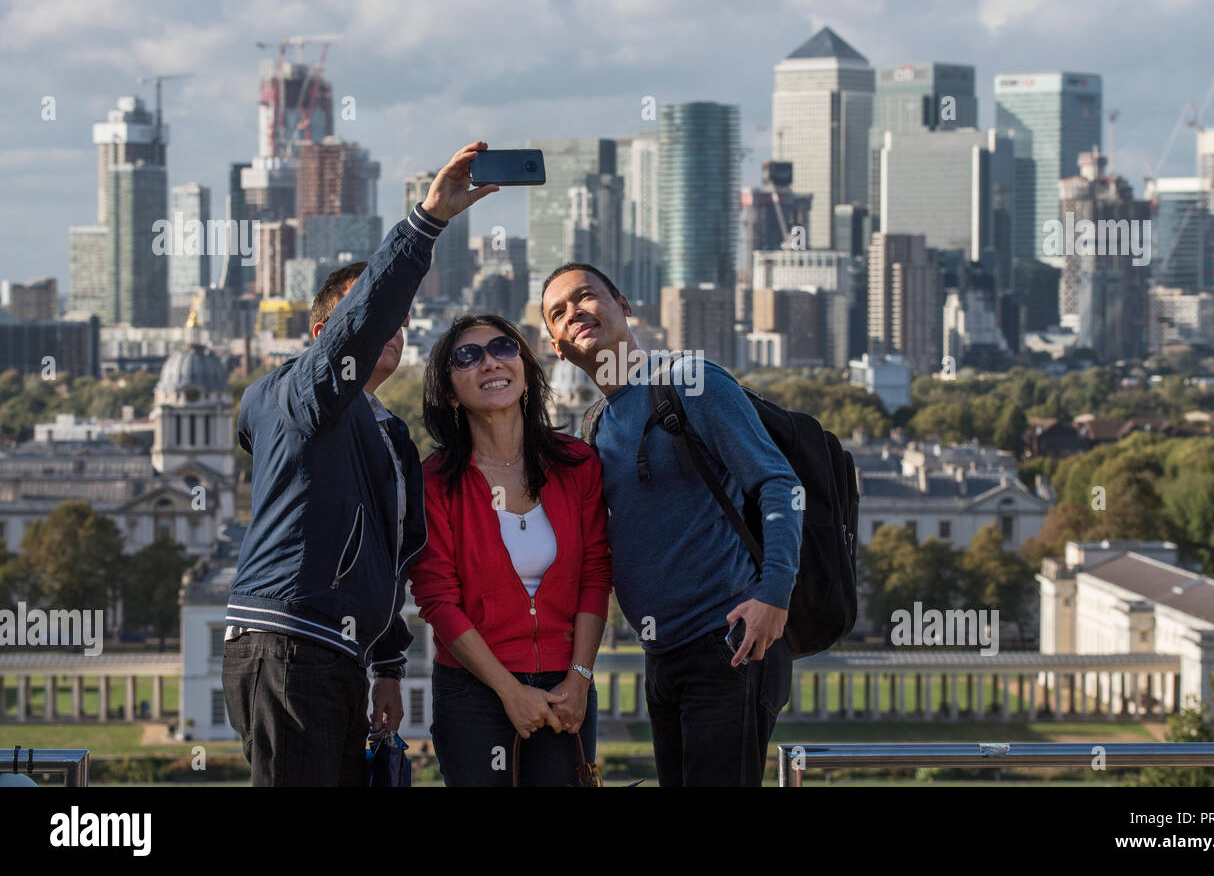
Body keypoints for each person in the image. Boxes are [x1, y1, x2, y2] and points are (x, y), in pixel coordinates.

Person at [221, 142, 498, 787]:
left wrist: (390, 667)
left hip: (337, 654)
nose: (391, 331)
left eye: (401, 325)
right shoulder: (296, 393)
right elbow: (361, 318)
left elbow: (391, 560)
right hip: (285, 641)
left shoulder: (387, 434)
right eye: (377, 322)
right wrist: (426, 222)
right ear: (326, 337)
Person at [539, 263, 802, 787]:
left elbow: (778, 483)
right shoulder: (595, 425)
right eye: (559, 314)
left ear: (624, 305)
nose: (576, 313)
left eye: (586, 297)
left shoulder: (691, 381)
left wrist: (774, 593)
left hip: (727, 644)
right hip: (660, 657)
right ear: (557, 347)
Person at [410, 314, 613, 787]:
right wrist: (509, 691)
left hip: (568, 686)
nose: (489, 363)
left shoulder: (577, 464)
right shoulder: (434, 482)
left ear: (525, 366)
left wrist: (580, 677)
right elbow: (438, 600)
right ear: (447, 389)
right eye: (467, 356)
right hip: (474, 693)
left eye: (503, 347)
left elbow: (596, 576)